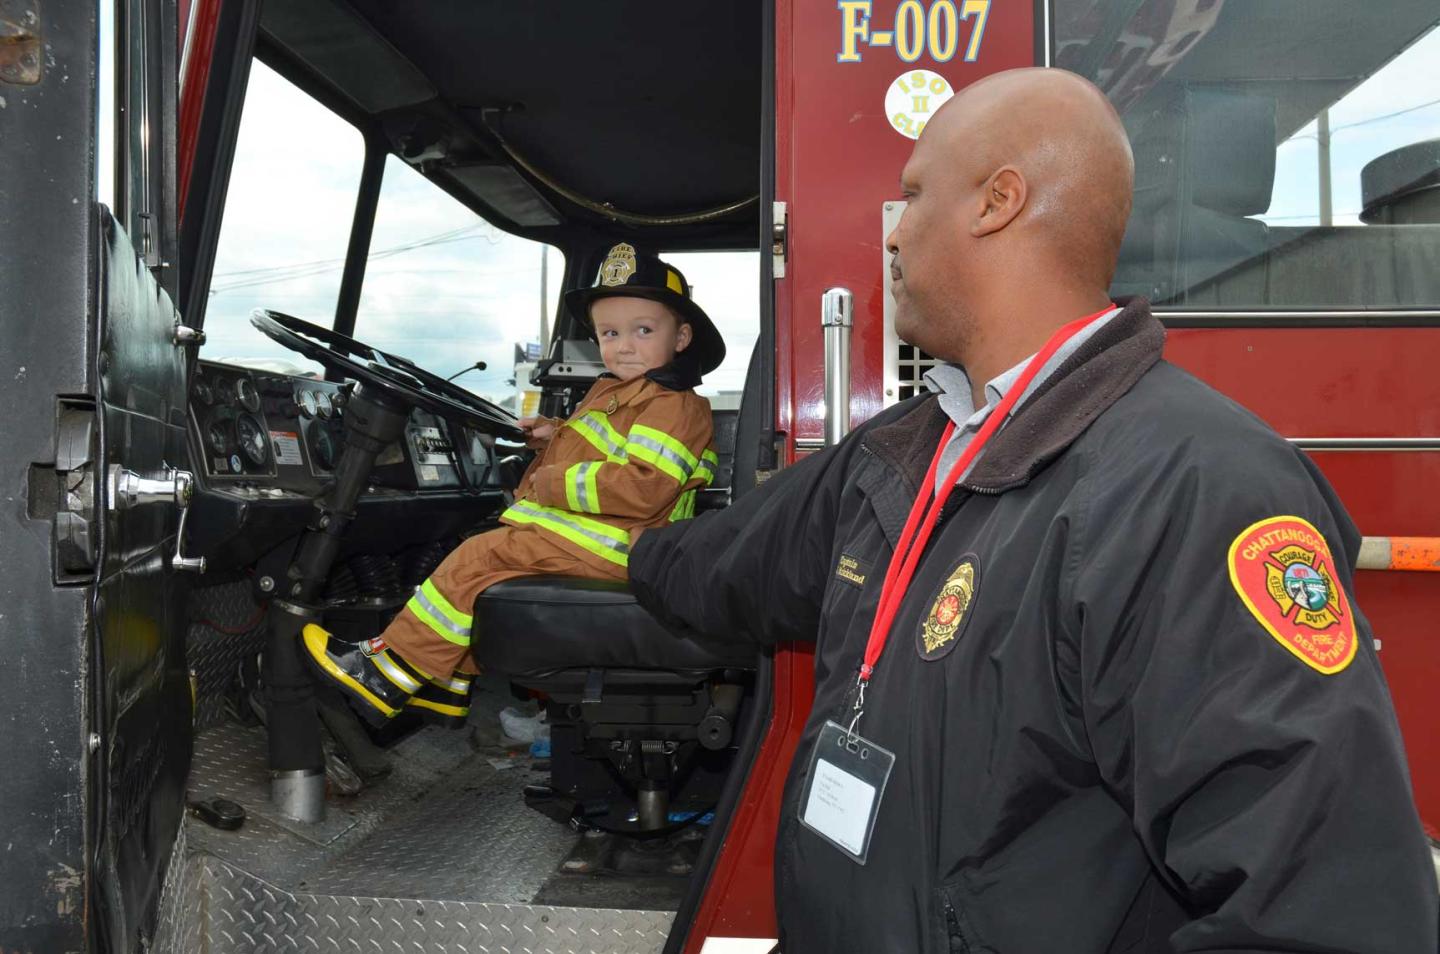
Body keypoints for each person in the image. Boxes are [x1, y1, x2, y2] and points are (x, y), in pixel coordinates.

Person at [628, 69, 1439, 952]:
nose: (893, 238)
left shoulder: (1194, 487)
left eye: (913, 196)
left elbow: (1324, 913)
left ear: (997, 202)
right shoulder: (909, 446)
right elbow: (731, 563)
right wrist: (616, 548)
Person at [303, 244, 723, 725]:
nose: (623, 345)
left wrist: (548, 482)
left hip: (626, 547)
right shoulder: (622, 390)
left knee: (479, 557)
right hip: (607, 540)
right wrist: (553, 435)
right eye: (609, 333)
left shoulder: (672, 404)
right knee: (478, 558)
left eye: (643, 331)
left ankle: (385, 673)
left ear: (683, 336)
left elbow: (643, 487)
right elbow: (601, 453)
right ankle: (447, 683)